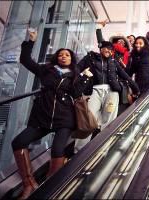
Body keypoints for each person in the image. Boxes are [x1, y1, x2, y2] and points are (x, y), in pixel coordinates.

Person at [11, 27, 93, 199]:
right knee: (18, 142)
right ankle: (29, 184)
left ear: (71, 59)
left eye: (67, 55)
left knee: (57, 150)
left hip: (64, 119)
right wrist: (31, 41)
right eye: (61, 54)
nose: (64, 56)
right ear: (57, 57)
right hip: (42, 117)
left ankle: (50, 187)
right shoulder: (45, 70)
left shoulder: (75, 75)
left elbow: (76, 94)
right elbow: (25, 60)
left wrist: (85, 77)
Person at [73, 40, 140, 153]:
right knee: (88, 119)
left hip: (111, 91)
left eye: (111, 50)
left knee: (108, 120)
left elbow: (125, 75)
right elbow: (77, 68)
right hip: (94, 90)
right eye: (107, 48)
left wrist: (135, 88)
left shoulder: (113, 61)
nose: (109, 51)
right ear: (101, 48)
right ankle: (78, 151)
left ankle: (105, 149)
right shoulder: (90, 57)